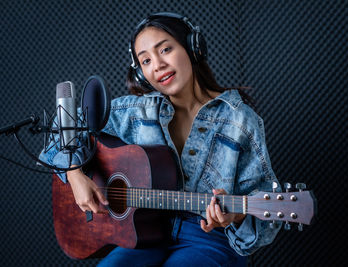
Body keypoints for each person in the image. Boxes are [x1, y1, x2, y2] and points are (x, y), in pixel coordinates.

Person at [40, 12, 281, 267]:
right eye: (145, 60)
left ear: (192, 48)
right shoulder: (136, 113)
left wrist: (235, 217)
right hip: (145, 234)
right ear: (141, 74)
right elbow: (62, 123)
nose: (157, 65)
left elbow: (265, 215)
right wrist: (75, 174)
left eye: (165, 49)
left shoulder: (240, 119)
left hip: (210, 239)